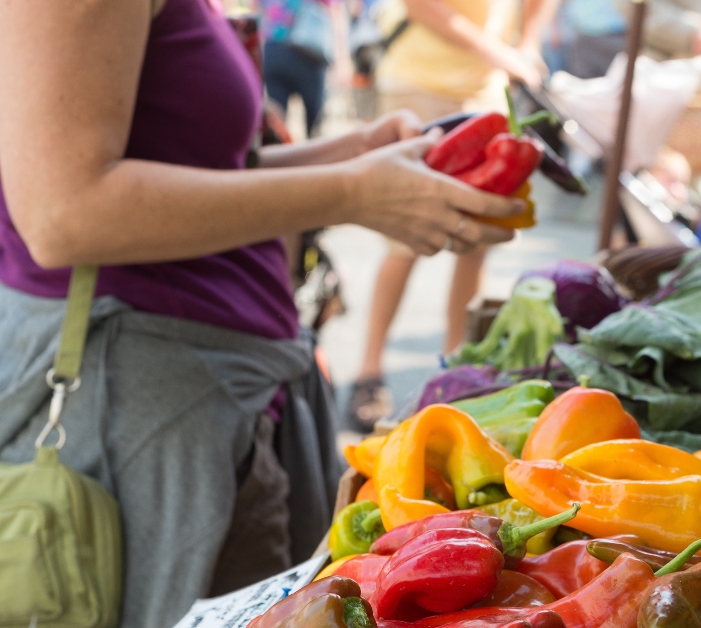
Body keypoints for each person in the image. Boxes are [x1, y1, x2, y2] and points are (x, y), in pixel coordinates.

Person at [0, 0, 523, 625]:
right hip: (146, 425)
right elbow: (65, 214)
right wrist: (355, 190)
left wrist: (353, 157)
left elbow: (194, 170)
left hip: (209, 403)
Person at [346, 0, 557, 428]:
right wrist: (499, 52)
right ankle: (368, 373)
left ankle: (455, 373)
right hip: (418, 80)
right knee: (403, 236)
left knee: (477, 236)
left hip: (486, 88)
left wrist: (528, 43)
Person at [261, 0, 349, 135]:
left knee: (276, 125)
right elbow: (335, 9)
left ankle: (280, 152)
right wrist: (341, 58)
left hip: (274, 48)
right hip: (308, 52)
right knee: (314, 127)